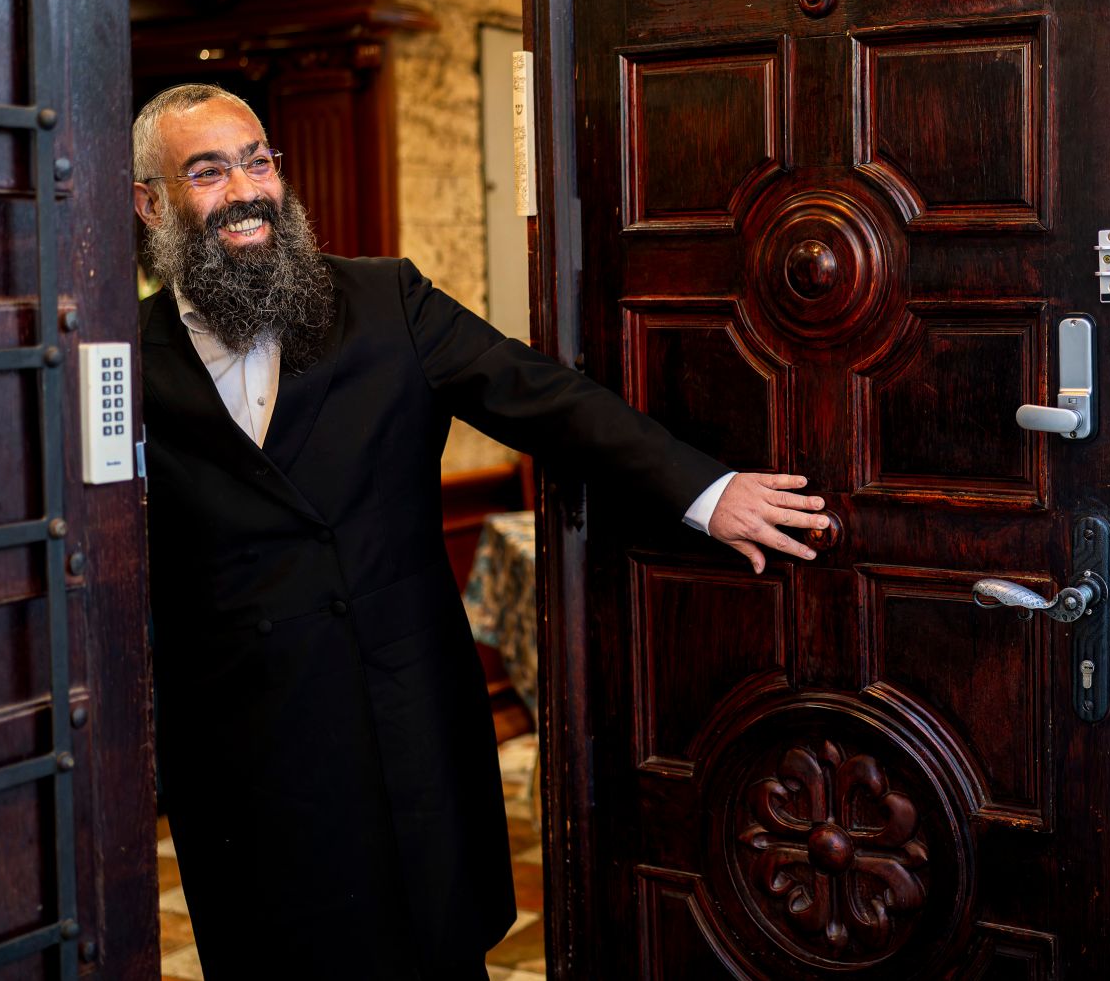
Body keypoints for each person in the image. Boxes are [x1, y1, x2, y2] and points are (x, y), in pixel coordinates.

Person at [131, 83, 829, 979]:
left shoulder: (384, 301)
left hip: (396, 723)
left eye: (258, 159)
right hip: (243, 757)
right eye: (208, 171)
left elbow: (542, 396)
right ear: (151, 201)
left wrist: (705, 488)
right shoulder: (121, 358)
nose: (247, 188)